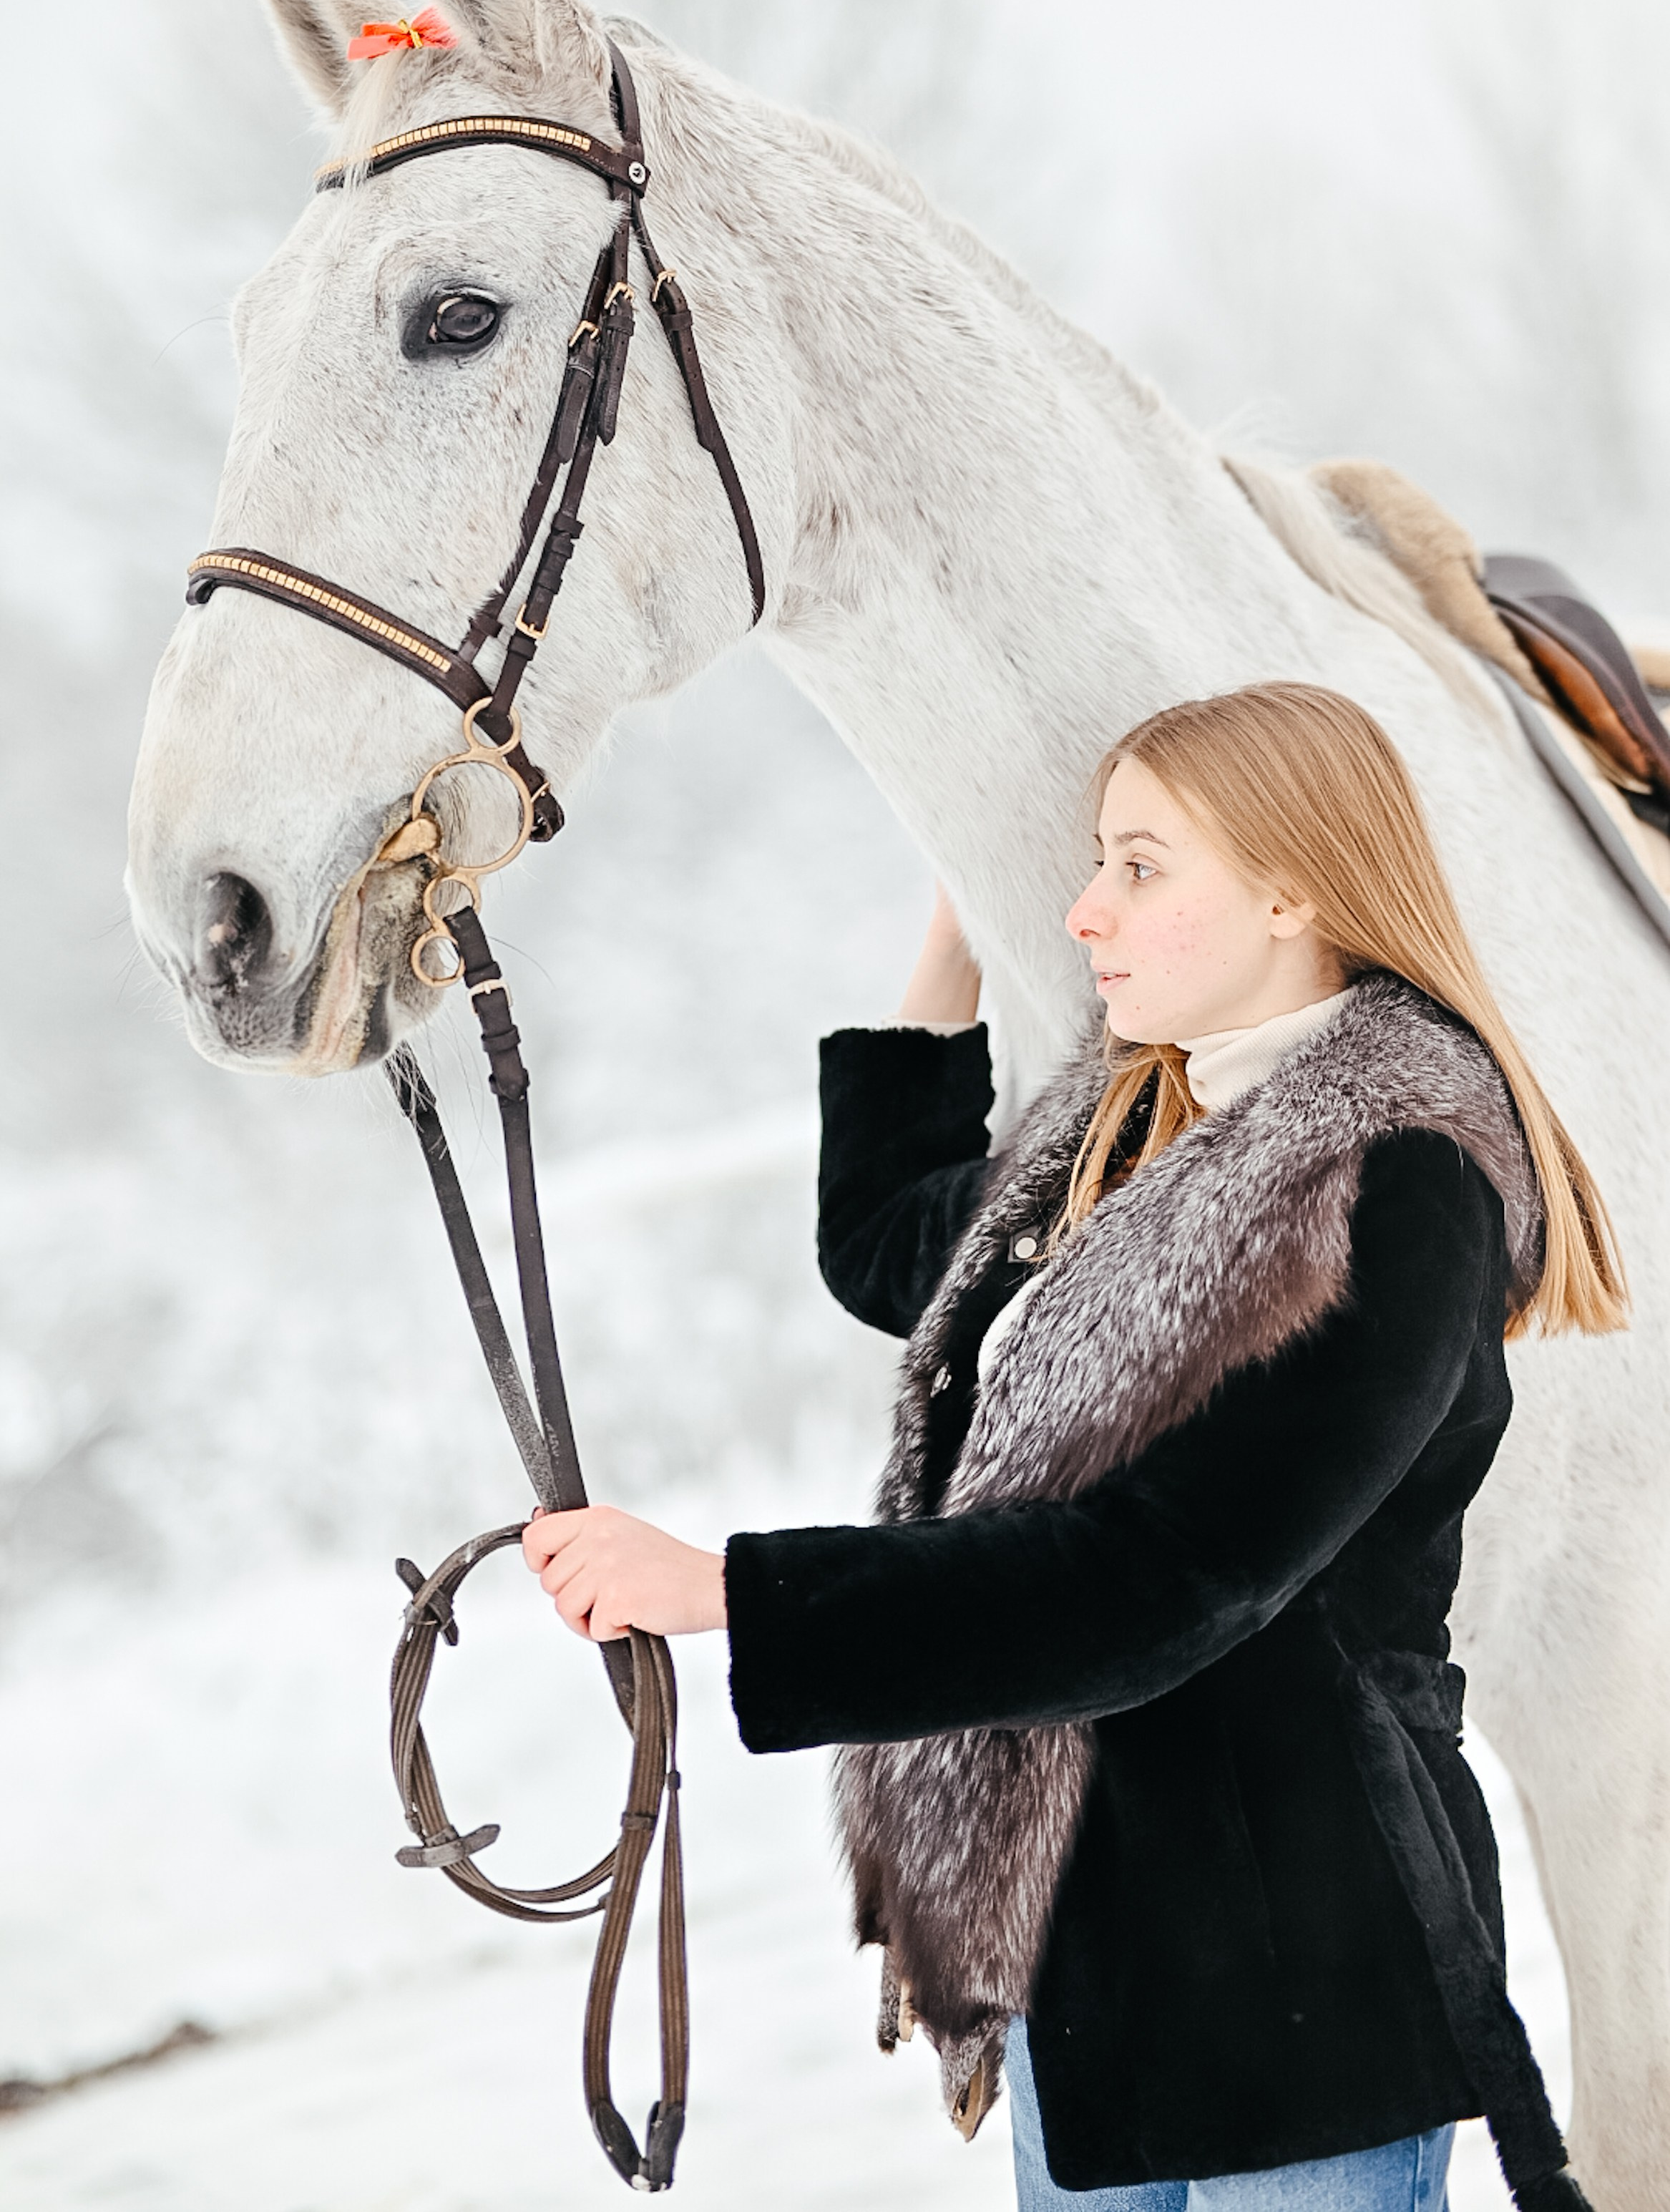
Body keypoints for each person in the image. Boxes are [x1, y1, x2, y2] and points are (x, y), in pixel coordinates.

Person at [523, 682, 1623, 2212]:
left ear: (1299, 884)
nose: (1086, 907)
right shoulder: (1139, 1138)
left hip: (1300, 1971)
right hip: (1090, 1968)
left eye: (1141, 865)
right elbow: (894, 1251)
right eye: (1096, 861)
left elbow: (1169, 1575)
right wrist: (951, 940)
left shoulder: (1397, 1176)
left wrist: (732, 1589)